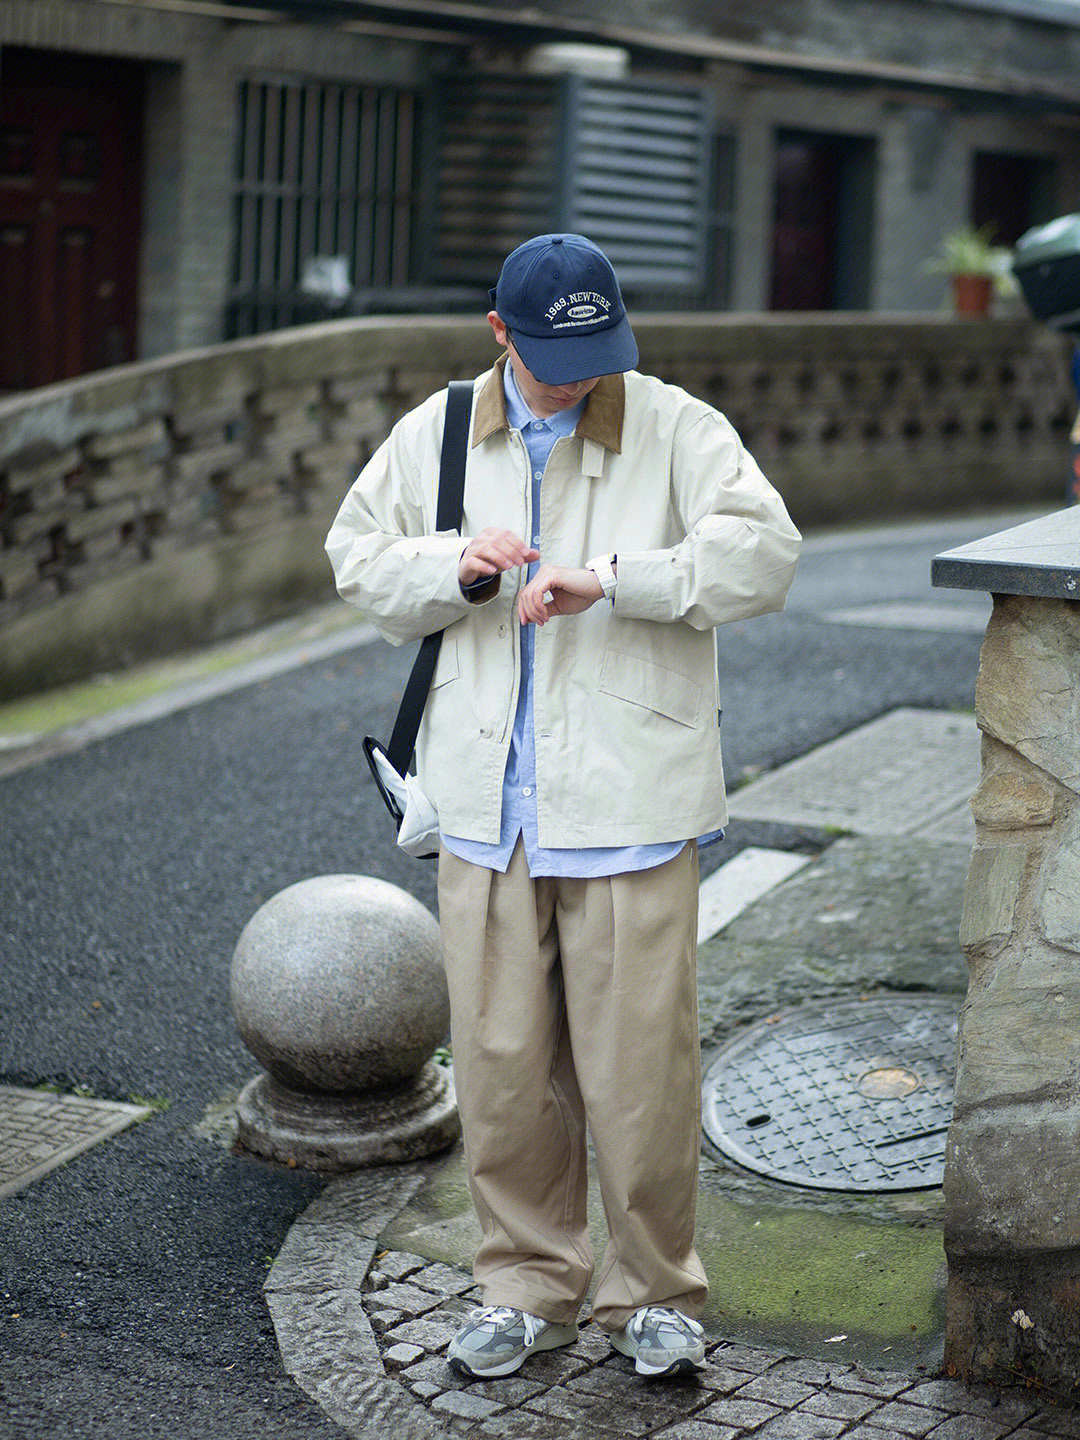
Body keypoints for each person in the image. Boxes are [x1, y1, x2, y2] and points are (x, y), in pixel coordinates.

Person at [325, 234, 801, 1381]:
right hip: (487, 809)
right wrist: (458, 567)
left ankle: (655, 1294)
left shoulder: (676, 425)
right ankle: (526, 1284)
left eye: (596, 352)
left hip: (632, 803)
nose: (578, 376)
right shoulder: (438, 430)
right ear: (500, 334)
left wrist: (621, 579)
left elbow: (766, 555)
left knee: (642, 1068)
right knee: (501, 1065)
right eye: (551, 356)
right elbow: (355, 560)